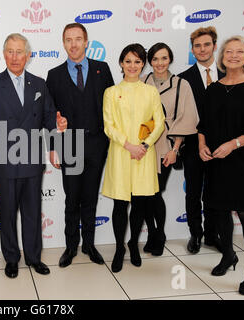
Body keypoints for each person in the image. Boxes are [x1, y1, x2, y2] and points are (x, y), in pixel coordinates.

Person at [0, 33, 68, 278]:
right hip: (4, 162)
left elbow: (49, 116)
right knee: (7, 214)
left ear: (28, 56)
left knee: (31, 212)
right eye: (10, 51)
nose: (15, 57)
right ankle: (11, 258)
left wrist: (57, 123)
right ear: (4, 54)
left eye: (20, 52)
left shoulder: (39, 84)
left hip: (31, 160)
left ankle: (33, 258)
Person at [46, 23, 114, 268]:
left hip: (97, 144)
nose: (73, 44)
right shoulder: (54, 75)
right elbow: (50, 114)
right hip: (70, 145)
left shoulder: (102, 69)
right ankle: (71, 246)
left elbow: (112, 108)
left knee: (90, 198)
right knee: (72, 199)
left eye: (78, 39)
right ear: (63, 43)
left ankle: (89, 244)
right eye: (68, 39)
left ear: (86, 42)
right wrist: (52, 146)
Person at [101, 43, 165, 273]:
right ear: (121, 63)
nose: (132, 66)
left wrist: (144, 145)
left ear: (143, 64)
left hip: (143, 155)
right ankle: (119, 248)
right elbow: (109, 126)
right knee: (120, 204)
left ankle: (133, 244)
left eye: (137, 61)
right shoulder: (110, 92)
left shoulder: (150, 91)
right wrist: (129, 145)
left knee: (140, 203)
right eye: (128, 61)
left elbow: (159, 122)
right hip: (121, 153)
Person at [197, 35, 244, 295]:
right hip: (216, 160)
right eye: (229, 51)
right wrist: (201, 145)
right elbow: (203, 124)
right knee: (218, 211)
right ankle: (228, 254)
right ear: (222, 56)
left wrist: (234, 144)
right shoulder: (213, 88)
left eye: (239, 52)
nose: (233, 55)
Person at [141, 43, 199, 256]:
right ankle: (151, 233)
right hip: (144, 144)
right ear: (150, 61)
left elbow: (187, 118)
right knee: (144, 193)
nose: (159, 63)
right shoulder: (142, 81)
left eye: (164, 58)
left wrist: (175, 148)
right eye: (155, 59)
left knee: (155, 191)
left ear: (170, 59)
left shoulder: (181, 84)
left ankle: (160, 234)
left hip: (166, 145)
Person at [178, 26, 224, 254]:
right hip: (193, 146)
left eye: (206, 44)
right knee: (193, 191)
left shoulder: (229, 75)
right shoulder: (182, 79)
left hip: (224, 148)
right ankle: (195, 234)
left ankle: (212, 234)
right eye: (197, 46)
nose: (202, 49)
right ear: (192, 50)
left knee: (216, 192)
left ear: (214, 46)